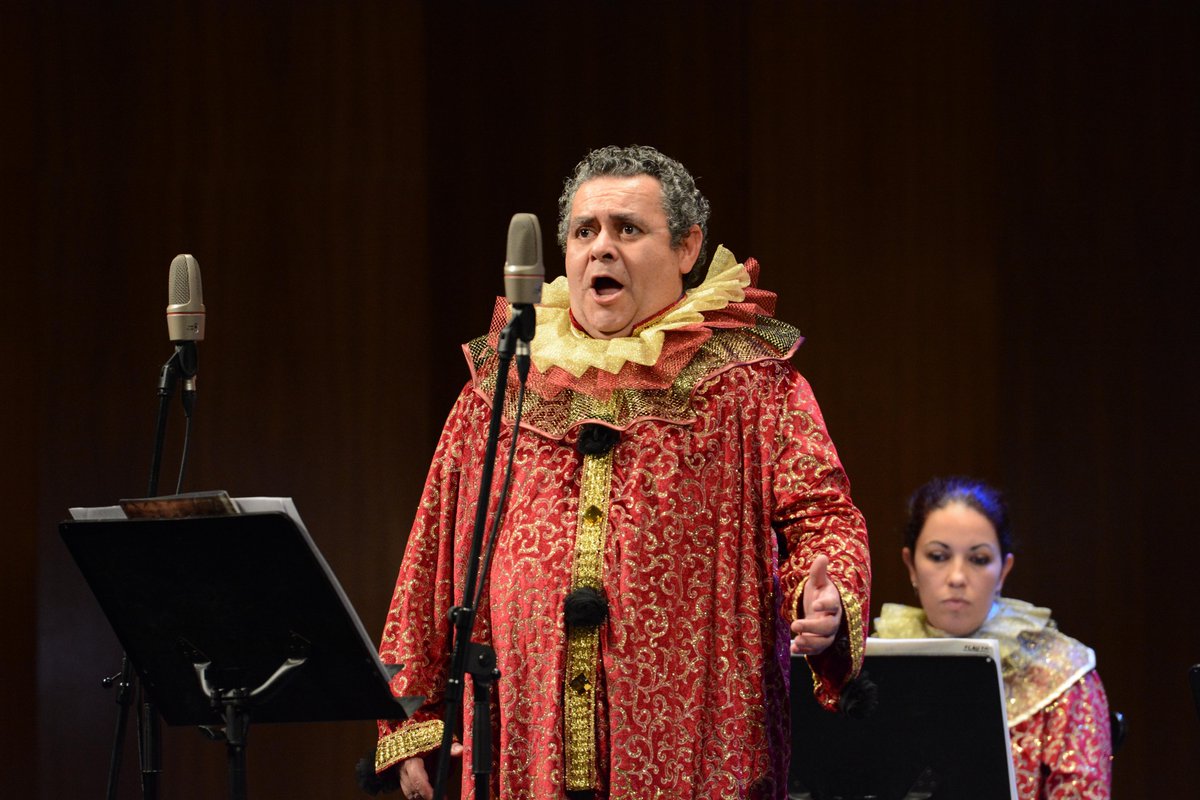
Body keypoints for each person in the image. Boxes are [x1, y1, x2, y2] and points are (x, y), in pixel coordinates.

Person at [372, 145, 871, 799]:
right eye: (585, 232)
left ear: (688, 247)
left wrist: (829, 598)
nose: (600, 249)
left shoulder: (751, 385)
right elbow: (433, 566)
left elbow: (824, 517)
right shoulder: (502, 388)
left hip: (699, 750)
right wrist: (413, 720)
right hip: (524, 748)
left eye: (627, 230)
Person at [874, 476, 1112, 799]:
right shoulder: (876, 664)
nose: (957, 577)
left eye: (979, 559)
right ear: (911, 566)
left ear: (1003, 571)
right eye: (938, 556)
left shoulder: (1065, 674)